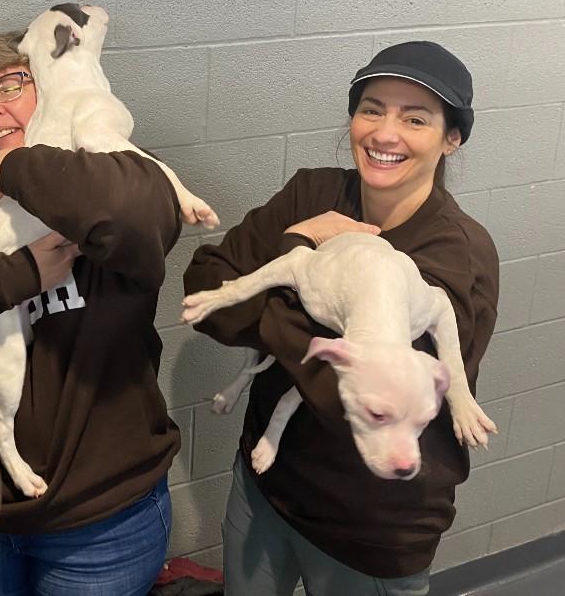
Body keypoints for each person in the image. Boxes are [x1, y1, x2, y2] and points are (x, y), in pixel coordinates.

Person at [183, 41, 499, 595]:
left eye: (415, 118)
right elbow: (206, 295)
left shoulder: (456, 255)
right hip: (266, 485)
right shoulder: (313, 193)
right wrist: (302, 238)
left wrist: (283, 277)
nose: (384, 133)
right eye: (371, 109)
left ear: (452, 139)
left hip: (373, 526)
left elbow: (342, 396)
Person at [0, 31, 182, 596]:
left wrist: (14, 170)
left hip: (105, 520)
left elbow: (137, 217)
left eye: (9, 85)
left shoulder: (112, 173)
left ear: (48, 86)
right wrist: (22, 272)